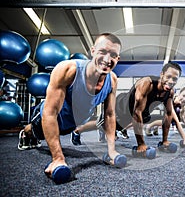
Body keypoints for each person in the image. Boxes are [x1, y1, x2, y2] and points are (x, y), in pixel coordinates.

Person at [18, 33, 126, 183]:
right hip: (47, 120)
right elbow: (50, 114)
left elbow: (109, 115)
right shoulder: (68, 70)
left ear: (118, 59)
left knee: (60, 132)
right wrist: (57, 158)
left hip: (71, 124)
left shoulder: (112, 80)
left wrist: (111, 151)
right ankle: (25, 133)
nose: (107, 59)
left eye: (113, 55)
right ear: (93, 51)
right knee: (36, 133)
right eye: (102, 52)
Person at [115, 62, 184, 156]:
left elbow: (168, 114)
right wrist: (141, 144)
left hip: (142, 113)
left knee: (146, 118)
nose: (171, 81)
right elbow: (137, 112)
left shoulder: (170, 93)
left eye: (175, 79)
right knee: (106, 125)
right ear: (162, 74)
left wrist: (165, 141)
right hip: (120, 108)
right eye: (168, 77)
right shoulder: (147, 83)